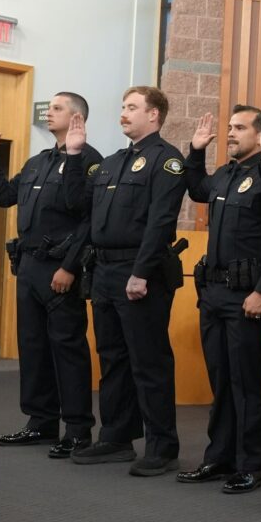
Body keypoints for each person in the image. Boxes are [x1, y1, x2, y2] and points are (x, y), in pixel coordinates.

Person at [64, 86, 188, 476]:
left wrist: (141, 272)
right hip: (103, 271)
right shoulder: (111, 163)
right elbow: (77, 207)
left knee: (148, 361)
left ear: (154, 115)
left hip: (140, 270)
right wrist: (73, 154)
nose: (123, 113)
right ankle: (116, 437)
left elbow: (161, 221)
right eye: (122, 107)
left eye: (132, 107)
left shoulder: (166, 160)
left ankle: (162, 445)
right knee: (113, 358)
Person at [175, 105, 261, 494]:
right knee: (221, 380)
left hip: (249, 295)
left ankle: (250, 465)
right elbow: (196, 188)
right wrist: (195, 151)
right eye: (229, 127)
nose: (230, 133)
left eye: (239, 128)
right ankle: (219, 457)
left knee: (248, 382)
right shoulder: (225, 174)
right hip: (215, 292)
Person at [0, 93, 100, 458]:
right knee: (32, 346)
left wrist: (69, 267)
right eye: (49, 107)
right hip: (30, 266)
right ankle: (41, 422)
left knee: (67, 347)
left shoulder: (90, 161)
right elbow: (5, 197)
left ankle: (78, 429)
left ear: (77, 117)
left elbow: (88, 219)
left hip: (61, 267)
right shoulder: (38, 162)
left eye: (58, 108)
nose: (49, 112)